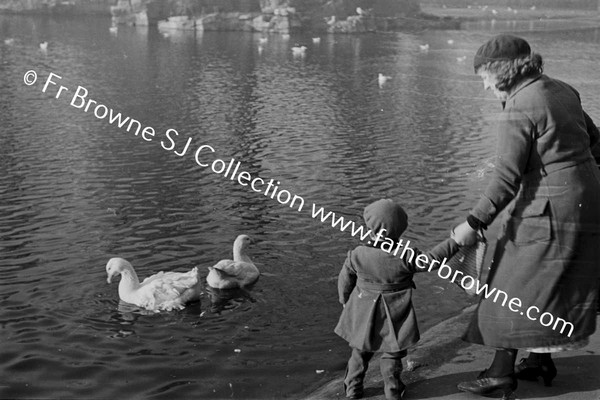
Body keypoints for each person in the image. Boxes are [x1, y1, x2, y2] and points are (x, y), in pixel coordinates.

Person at [452, 34, 600, 398]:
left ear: (502, 71)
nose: (485, 85)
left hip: (550, 208)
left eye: (485, 76)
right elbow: (595, 142)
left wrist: (473, 223)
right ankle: (538, 359)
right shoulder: (562, 89)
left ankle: (501, 373)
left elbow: (505, 179)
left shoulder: (519, 104)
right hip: (586, 199)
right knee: (552, 283)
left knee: (510, 287)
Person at [335, 198, 461, 400]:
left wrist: (344, 300)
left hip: (362, 311)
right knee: (392, 354)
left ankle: (352, 389)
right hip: (394, 314)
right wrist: (454, 242)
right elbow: (432, 260)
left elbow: (345, 280)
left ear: (371, 228)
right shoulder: (406, 256)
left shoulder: (357, 254)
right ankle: (393, 391)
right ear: (400, 228)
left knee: (359, 353)